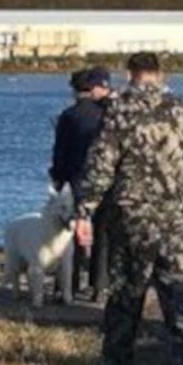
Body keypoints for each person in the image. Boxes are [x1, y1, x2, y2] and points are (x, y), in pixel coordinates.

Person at [75, 52, 183, 365]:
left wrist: (84, 208)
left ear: (130, 74)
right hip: (174, 215)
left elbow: (101, 164)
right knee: (180, 292)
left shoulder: (119, 112)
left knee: (125, 295)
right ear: (160, 74)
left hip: (131, 216)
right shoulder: (181, 110)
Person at [50, 66, 114, 299]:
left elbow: (60, 153)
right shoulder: (108, 114)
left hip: (76, 180)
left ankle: (68, 284)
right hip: (105, 180)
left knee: (71, 233)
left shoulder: (69, 116)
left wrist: (58, 177)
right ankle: (100, 285)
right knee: (102, 234)